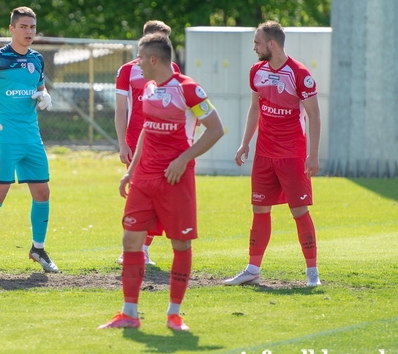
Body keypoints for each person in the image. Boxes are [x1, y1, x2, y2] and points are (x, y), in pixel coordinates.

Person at [100, 33, 224, 330]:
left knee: (180, 243)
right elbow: (146, 131)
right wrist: (132, 170)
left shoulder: (189, 90)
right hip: (144, 178)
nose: (137, 63)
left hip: (176, 180)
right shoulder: (150, 88)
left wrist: (183, 159)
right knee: (131, 239)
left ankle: (174, 313)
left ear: (154, 59)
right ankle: (129, 313)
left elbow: (216, 129)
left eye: (141, 58)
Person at [225, 21, 322, 288]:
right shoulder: (256, 71)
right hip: (264, 153)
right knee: (259, 209)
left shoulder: (300, 74)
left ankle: (312, 272)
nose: (254, 47)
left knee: (299, 211)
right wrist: (245, 142)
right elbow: (255, 108)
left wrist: (312, 155)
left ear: (271, 44)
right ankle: (253, 269)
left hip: (292, 154)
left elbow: (314, 115)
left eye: (257, 42)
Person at [0, 7, 57, 276]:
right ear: (12, 29)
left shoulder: (37, 59)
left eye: (32, 27)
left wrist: (45, 95)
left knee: (43, 193)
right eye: (24, 27)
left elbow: (39, 88)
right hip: (5, 137)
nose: (29, 31)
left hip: (32, 137)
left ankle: (37, 249)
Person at [114, 20, 181, 266]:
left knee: (160, 198)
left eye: (165, 40)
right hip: (136, 142)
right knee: (139, 197)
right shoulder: (128, 70)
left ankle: (143, 248)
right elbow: (121, 110)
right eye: (157, 39)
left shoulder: (172, 68)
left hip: (164, 145)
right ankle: (130, 248)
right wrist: (122, 144)